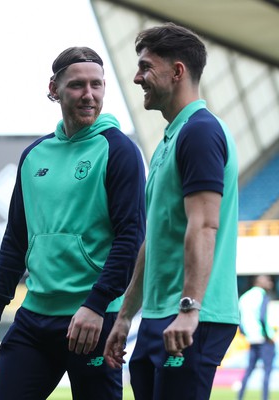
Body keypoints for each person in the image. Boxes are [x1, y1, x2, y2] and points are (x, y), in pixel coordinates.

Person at [0, 46, 146, 400]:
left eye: (97, 85)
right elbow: (17, 238)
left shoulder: (119, 150)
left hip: (94, 319)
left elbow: (131, 237)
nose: (89, 95)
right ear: (54, 89)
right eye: (77, 85)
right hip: (34, 318)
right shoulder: (34, 155)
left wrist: (97, 304)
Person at [103, 23, 240, 400]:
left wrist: (190, 308)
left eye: (146, 67)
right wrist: (126, 314)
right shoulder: (170, 139)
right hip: (160, 314)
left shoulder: (200, 132)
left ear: (177, 71)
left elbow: (205, 223)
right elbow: (156, 238)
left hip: (193, 314)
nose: (136, 77)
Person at [238, 275, 276, 400]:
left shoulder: (244, 297)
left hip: (252, 339)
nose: (270, 283)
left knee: (249, 371)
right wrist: (268, 336)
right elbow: (262, 317)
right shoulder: (262, 296)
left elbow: (240, 319)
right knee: (267, 371)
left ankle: (239, 397)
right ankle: (265, 398)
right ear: (259, 283)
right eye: (268, 281)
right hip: (264, 340)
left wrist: (245, 333)